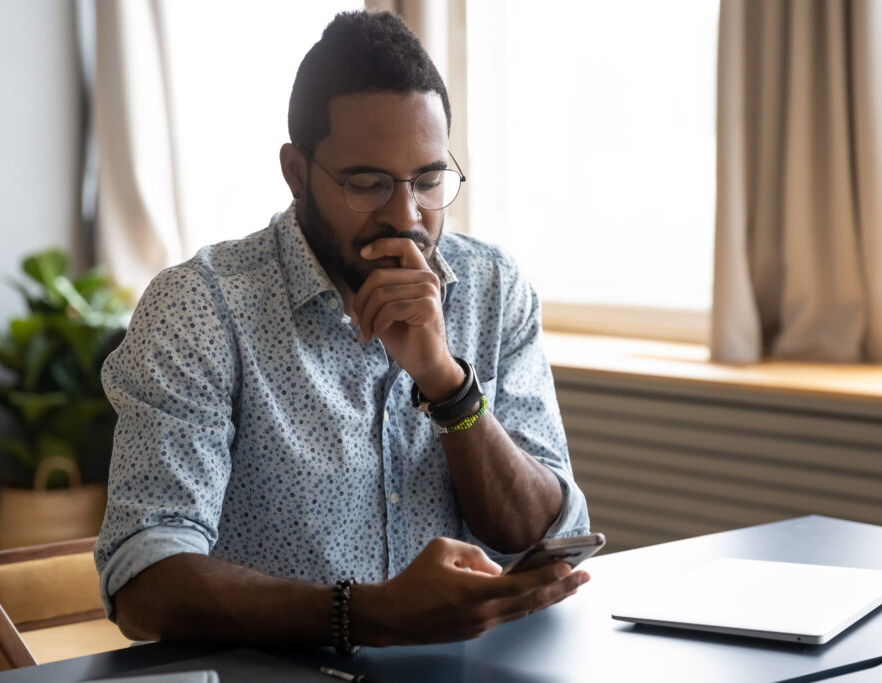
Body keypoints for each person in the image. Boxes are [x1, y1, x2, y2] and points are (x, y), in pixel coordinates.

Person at [94, 10, 590, 652]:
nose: (406, 216)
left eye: (430, 180)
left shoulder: (493, 288)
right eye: (368, 184)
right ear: (297, 174)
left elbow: (542, 536)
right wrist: (365, 614)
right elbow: (143, 580)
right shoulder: (201, 308)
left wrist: (447, 387)